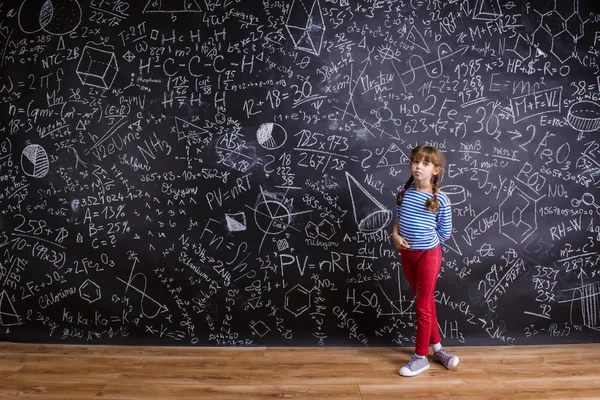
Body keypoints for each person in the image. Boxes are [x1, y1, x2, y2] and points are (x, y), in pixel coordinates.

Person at [391, 144, 459, 377]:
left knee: (422, 305)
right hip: (407, 255)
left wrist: (427, 244)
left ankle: (421, 357)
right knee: (426, 302)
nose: (418, 166)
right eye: (415, 161)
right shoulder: (405, 193)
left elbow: (445, 233)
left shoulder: (440, 199)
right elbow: (398, 220)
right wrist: (395, 235)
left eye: (425, 163)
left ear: (436, 170)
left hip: (428, 255)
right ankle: (438, 349)